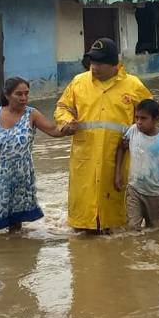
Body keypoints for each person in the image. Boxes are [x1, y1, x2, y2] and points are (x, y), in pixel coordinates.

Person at [54, 38, 153, 232]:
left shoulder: (133, 85)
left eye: (99, 63)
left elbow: (151, 115)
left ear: (114, 65)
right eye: (92, 62)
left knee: (119, 223)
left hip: (120, 157)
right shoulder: (79, 82)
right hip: (85, 157)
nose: (94, 67)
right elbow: (62, 107)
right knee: (82, 224)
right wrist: (66, 122)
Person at [0, 77, 68, 231]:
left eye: (26, 93)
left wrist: (70, 128)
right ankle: (9, 244)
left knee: (16, 221)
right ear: (7, 95)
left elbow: (53, 130)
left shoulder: (32, 114)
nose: (24, 98)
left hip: (21, 173)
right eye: (19, 94)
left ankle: (15, 240)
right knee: (0, 216)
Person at [113, 99, 159, 230]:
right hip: (134, 190)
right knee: (132, 228)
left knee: (157, 230)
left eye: (143, 118)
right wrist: (117, 173)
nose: (139, 122)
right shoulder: (133, 131)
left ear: (156, 119)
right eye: (137, 117)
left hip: (154, 194)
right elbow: (121, 147)